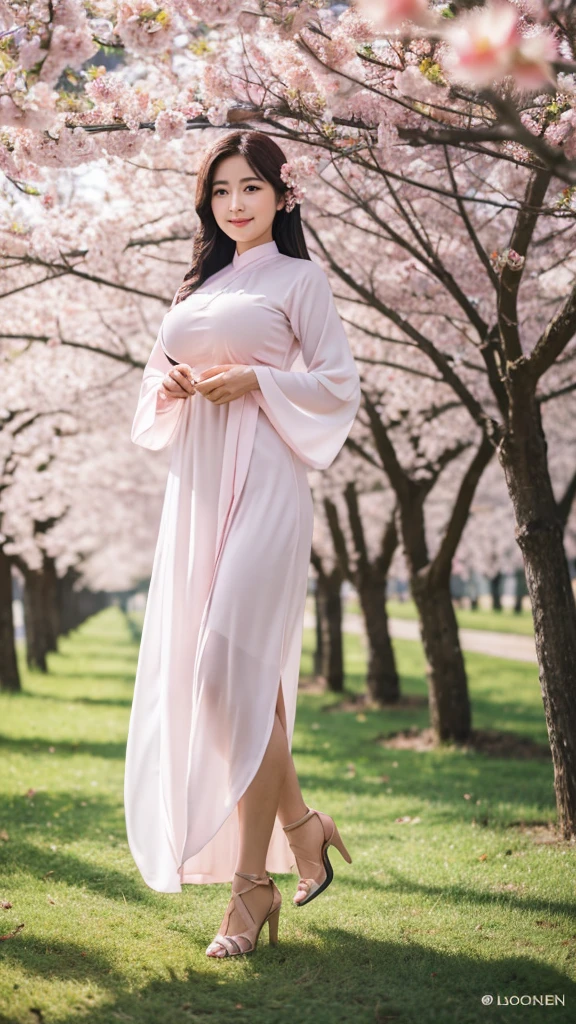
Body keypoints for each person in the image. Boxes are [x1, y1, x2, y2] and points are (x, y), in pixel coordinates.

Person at [124, 129, 361, 958]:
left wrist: (257, 377)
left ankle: (249, 887)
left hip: (264, 479)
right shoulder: (195, 290)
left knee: (234, 668)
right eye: (221, 190)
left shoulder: (301, 281)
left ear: (281, 196)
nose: (235, 203)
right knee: (229, 683)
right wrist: (182, 385)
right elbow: (151, 398)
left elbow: (337, 383)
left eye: (251, 187)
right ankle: (301, 826)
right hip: (198, 486)